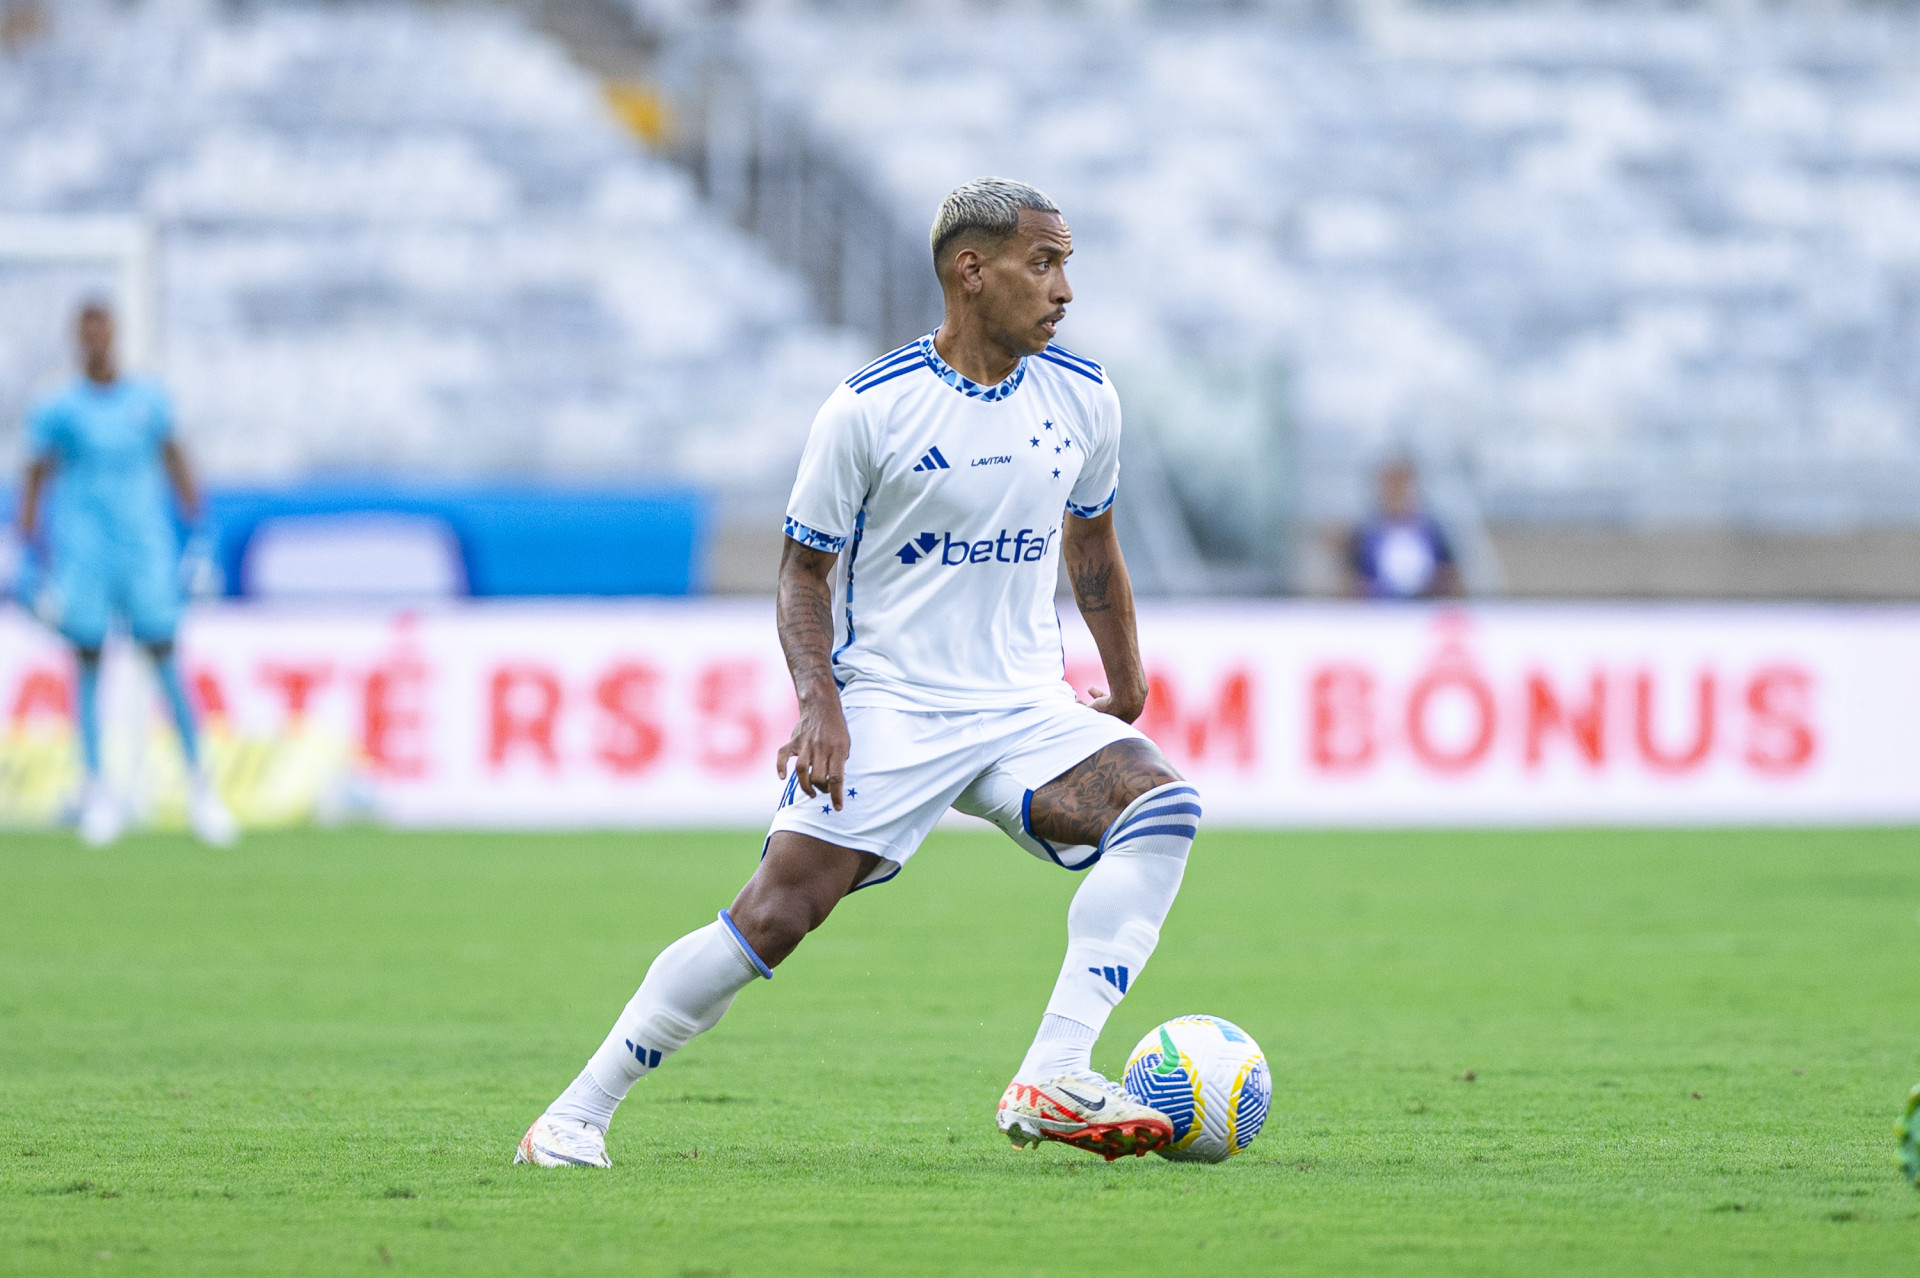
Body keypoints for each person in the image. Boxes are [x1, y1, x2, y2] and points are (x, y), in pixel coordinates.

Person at [517, 178, 1199, 1168]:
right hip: (891, 703)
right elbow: (802, 572)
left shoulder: (1086, 396)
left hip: (1021, 704)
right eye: (1043, 264)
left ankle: (1055, 1070)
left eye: (1067, 267)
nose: (1063, 291)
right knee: (776, 915)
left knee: (1163, 809)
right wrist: (819, 706)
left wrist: (1124, 681)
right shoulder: (869, 411)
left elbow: (1092, 546)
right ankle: (576, 1114)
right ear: (973, 271)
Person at [16, 301, 237, 847]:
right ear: (76, 338)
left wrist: (201, 536)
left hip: (144, 549)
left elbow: (177, 459)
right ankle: (97, 789)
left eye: (103, 329)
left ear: (114, 334)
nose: (95, 339)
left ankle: (201, 787)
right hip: (85, 553)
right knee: (88, 664)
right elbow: (35, 477)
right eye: (86, 330)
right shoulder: (59, 408)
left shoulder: (148, 400)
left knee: (164, 659)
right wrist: (28, 555)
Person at [1346, 460, 1462, 600]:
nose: (1397, 493)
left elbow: (1449, 575)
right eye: (1391, 486)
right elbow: (1356, 582)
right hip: (1378, 614)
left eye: (1401, 485)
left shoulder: (1434, 533)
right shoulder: (1365, 536)